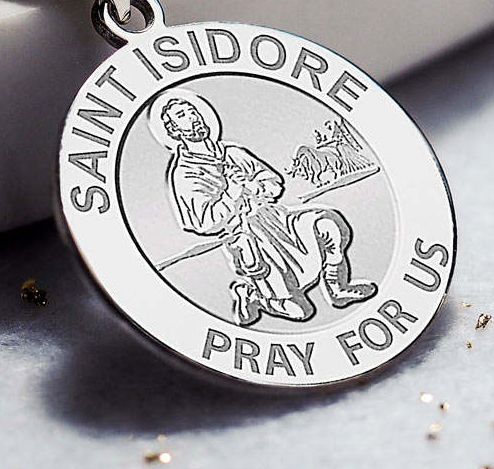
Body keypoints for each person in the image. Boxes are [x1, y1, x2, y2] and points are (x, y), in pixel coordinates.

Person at [161, 97, 376, 326]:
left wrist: (255, 186)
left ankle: (337, 287)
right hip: (247, 237)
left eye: (192, 111)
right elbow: (204, 222)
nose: (192, 117)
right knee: (299, 311)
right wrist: (233, 192)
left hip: (277, 218)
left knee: (327, 224)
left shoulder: (232, 152)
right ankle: (252, 296)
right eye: (182, 116)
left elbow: (272, 182)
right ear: (174, 130)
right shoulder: (185, 174)